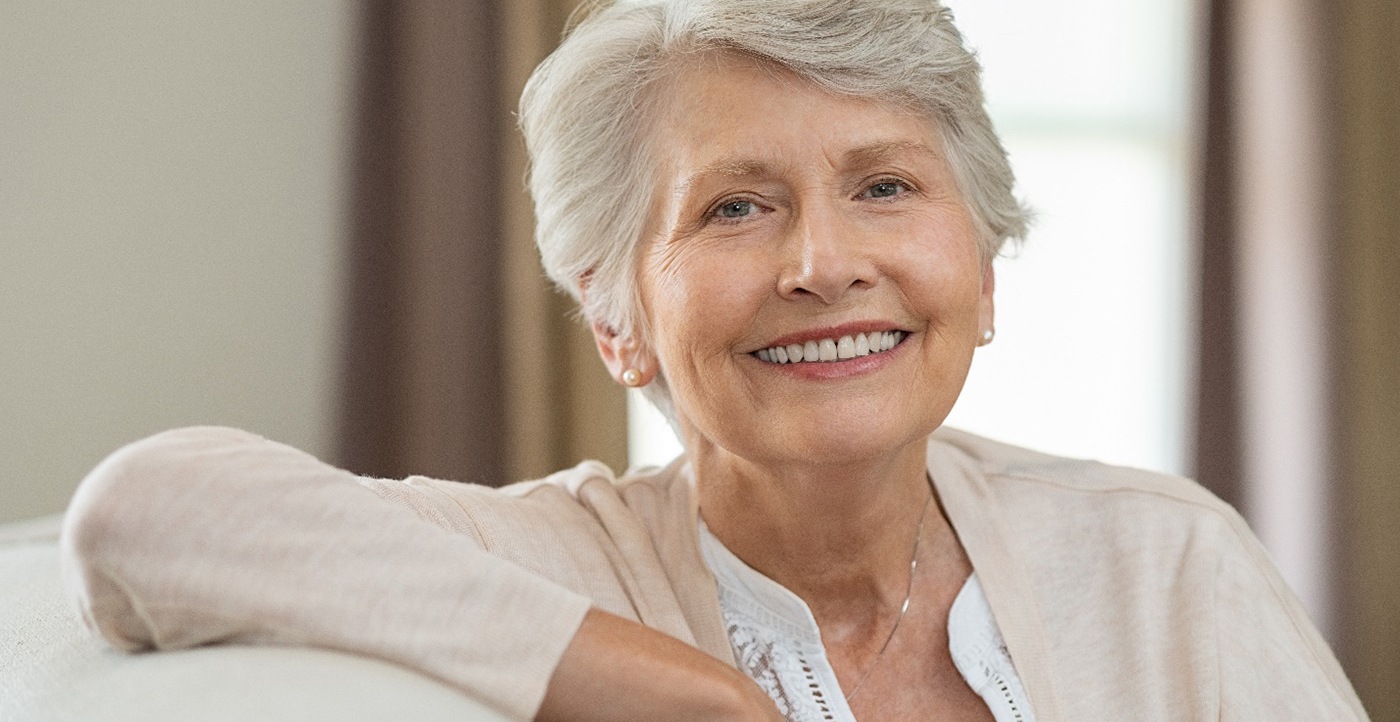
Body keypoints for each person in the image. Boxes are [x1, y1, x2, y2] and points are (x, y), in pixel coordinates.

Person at [60, 1, 1367, 720]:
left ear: (980, 264)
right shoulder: (554, 558)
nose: (823, 260)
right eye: (735, 206)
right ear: (614, 314)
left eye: (886, 185)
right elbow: (143, 516)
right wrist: (666, 686)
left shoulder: (1162, 560)